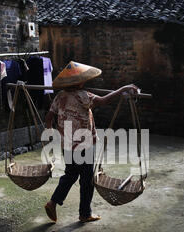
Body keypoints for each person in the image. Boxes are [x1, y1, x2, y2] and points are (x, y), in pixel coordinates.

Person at [44, 61, 139, 223]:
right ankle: (84, 213)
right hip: (84, 146)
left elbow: (49, 116)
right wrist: (123, 89)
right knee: (87, 180)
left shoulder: (60, 96)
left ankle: (53, 202)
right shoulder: (83, 96)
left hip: (67, 145)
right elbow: (103, 101)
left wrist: (49, 130)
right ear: (80, 82)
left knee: (70, 174)